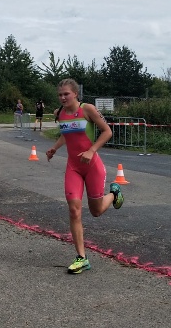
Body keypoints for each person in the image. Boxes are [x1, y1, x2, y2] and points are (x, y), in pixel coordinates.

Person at [46, 78, 124, 274]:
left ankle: (114, 194)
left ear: (75, 94)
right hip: (73, 167)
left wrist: (92, 150)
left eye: (66, 94)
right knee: (74, 209)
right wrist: (54, 148)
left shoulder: (87, 109)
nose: (63, 97)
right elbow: (67, 133)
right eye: (60, 94)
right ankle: (82, 257)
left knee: (96, 211)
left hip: (92, 166)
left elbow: (107, 132)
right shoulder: (60, 114)